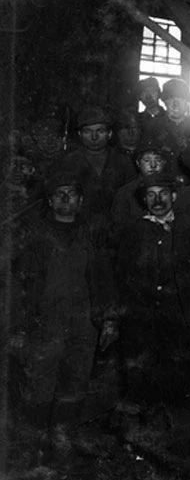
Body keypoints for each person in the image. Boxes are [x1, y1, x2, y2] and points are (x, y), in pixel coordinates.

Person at [10, 171, 117, 437]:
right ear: (50, 201)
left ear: (80, 201)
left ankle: (62, 444)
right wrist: (19, 328)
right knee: (39, 383)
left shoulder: (91, 236)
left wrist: (109, 319)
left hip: (84, 324)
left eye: (72, 194)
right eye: (60, 194)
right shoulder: (34, 239)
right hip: (45, 323)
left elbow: (103, 280)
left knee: (76, 382)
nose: (66, 198)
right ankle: (35, 443)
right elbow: (19, 287)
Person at [113, 171, 190, 405]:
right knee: (141, 380)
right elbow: (122, 276)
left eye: (163, 194)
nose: (158, 200)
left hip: (178, 316)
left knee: (178, 378)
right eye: (151, 195)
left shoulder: (188, 230)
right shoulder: (133, 231)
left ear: (173, 196)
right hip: (141, 318)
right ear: (144, 200)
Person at [58, 106, 137, 222]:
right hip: (79, 226)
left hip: (118, 226)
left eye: (100, 131)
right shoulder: (68, 162)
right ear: (80, 134)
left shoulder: (123, 161)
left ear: (109, 134)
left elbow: (133, 197)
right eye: (87, 132)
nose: (94, 137)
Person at [142, 78, 190, 165]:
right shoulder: (152, 126)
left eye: (180, 99)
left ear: (187, 102)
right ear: (164, 102)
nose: (175, 104)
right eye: (170, 99)